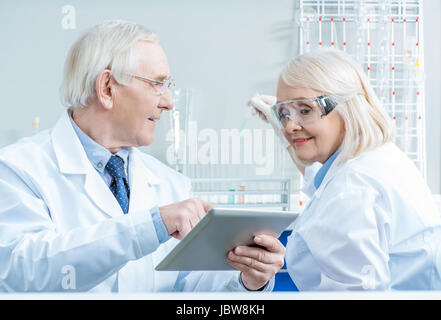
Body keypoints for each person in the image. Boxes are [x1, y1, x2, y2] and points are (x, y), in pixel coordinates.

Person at [0, 20, 285, 292]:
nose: (169, 102)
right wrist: (151, 226)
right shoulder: (18, 170)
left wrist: (248, 279)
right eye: (157, 84)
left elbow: (195, 294)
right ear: (107, 88)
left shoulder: (170, 184)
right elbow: (21, 273)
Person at [247, 47, 441, 290]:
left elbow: (355, 295)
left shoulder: (351, 188)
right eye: (284, 113)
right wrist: (280, 123)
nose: (290, 126)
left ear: (347, 107)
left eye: (305, 110)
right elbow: (320, 182)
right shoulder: (375, 158)